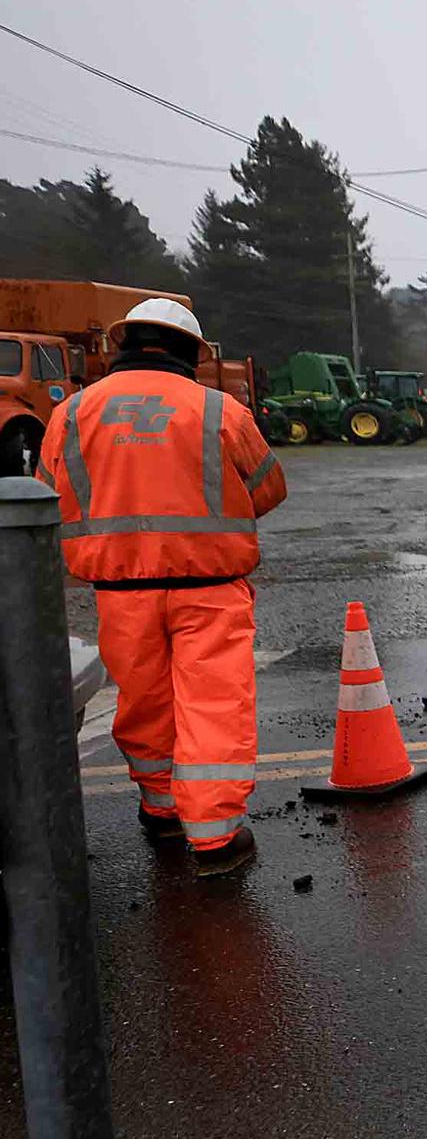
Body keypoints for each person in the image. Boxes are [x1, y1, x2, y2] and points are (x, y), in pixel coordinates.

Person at [37, 298, 287, 877]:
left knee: (144, 702)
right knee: (214, 704)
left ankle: (161, 807)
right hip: (208, 585)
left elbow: (41, 497)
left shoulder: (72, 413)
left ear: (124, 345)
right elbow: (268, 489)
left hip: (121, 589)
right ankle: (216, 836)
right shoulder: (218, 411)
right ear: (192, 354)